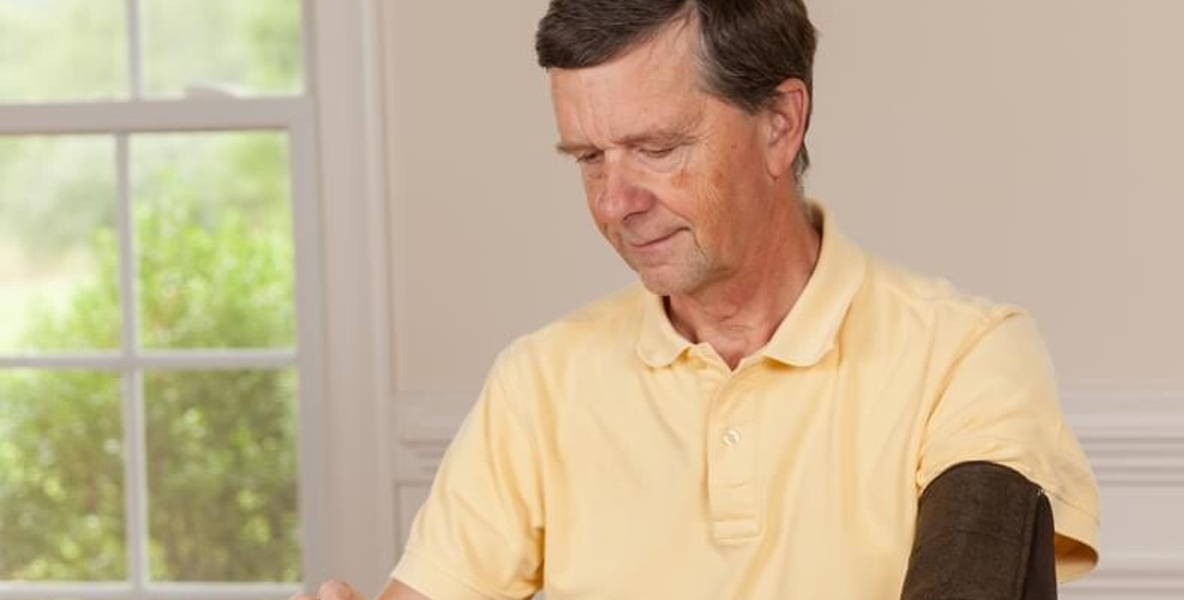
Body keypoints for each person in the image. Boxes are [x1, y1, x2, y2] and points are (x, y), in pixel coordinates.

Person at [295, 1, 1099, 598]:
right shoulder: (540, 381)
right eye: (587, 158)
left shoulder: (969, 354)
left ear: (781, 123)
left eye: (656, 148)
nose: (615, 203)